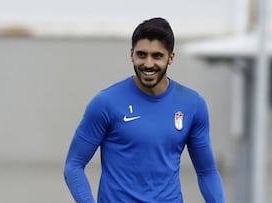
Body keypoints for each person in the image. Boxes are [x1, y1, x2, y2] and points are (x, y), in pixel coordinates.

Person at [64, 17, 226, 203]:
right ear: (131, 54)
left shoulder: (192, 104)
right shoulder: (106, 102)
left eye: (157, 56)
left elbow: (207, 172)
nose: (148, 64)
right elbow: (74, 165)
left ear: (171, 57)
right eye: (142, 55)